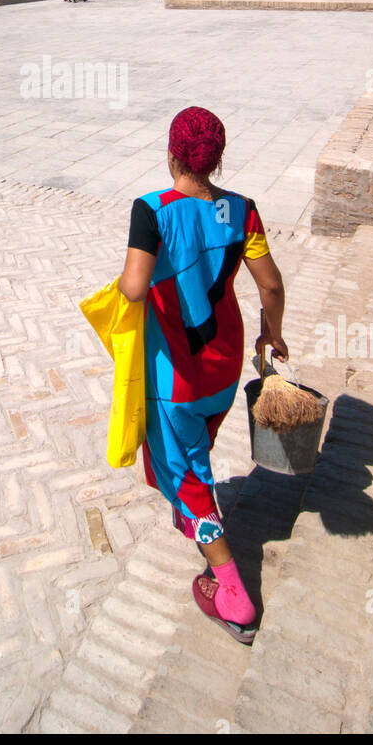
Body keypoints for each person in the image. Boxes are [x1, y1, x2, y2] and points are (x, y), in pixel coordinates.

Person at [118, 105, 288, 644]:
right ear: (215, 161)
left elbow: (134, 286)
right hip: (225, 357)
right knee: (198, 446)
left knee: (190, 477)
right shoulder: (243, 211)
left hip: (176, 371)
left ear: (171, 155)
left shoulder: (151, 210)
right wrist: (272, 334)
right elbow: (271, 286)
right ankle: (192, 507)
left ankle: (232, 591)